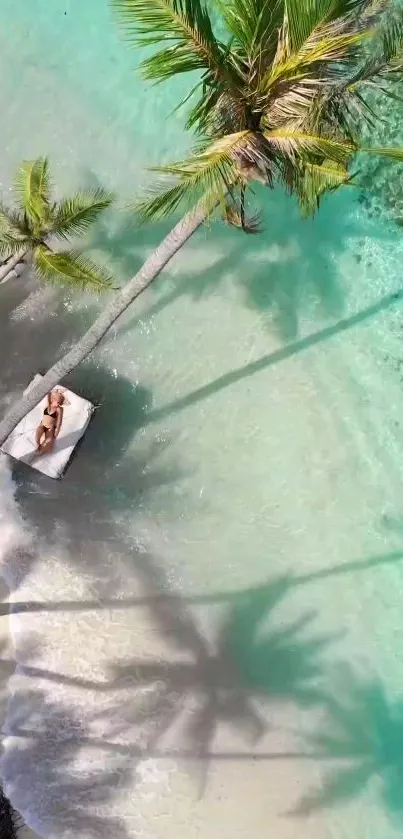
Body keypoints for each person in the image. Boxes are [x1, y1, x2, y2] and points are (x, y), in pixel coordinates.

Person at [35, 390, 65, 455]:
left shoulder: (59, 409)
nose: (59, 404)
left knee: (48, 442)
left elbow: (59, 422)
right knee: (37, 436)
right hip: (42, 425)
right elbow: (48, 392)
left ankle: (40, 452)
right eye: (58, 402)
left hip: (50, 428)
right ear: (53, 399)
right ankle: (38, 445)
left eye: (60, 402)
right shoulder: (48, 404)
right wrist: (56, 391)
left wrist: (56, 433)